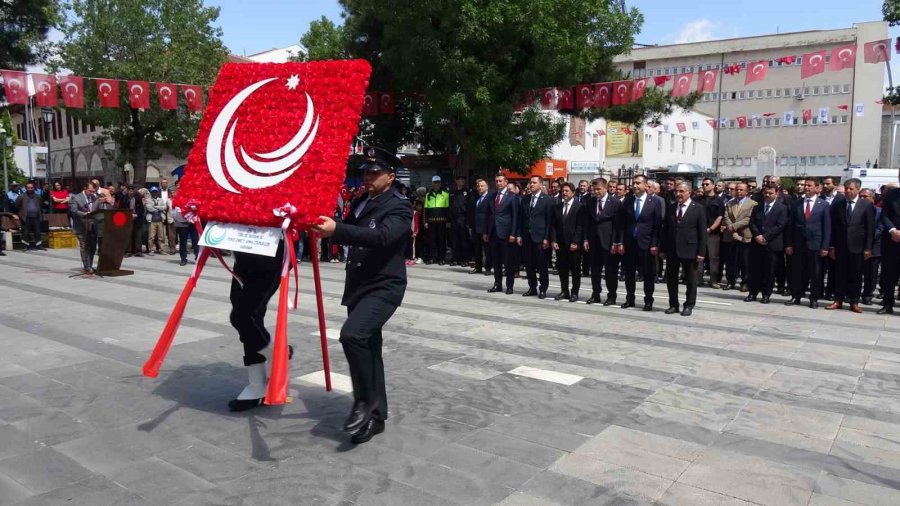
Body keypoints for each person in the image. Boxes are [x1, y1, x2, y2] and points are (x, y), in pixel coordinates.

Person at [312, 147, 413, 444]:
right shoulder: (361, 201)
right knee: (369, 348)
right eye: (365, 172)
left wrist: (336, 231)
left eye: (374, 172)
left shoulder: (400, 206)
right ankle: (376, 418)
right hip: (359, 285)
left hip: (384, 286)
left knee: (353, 335)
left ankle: (363, 400)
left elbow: (381, 237)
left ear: (391, 177)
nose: (367, 177)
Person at [827, 178, 875, 313]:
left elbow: (870, 228)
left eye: (851, 189)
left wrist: (868, 248)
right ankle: (838, 300)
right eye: (846, 188)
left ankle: (854, 301)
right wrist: (831, 246)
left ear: (858, 190)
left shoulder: (866, 205)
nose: (848, 191)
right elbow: (833, 227)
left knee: (856, 275)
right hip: (840, 246)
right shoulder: (838, 204)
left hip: (858, 248)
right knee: (839, 274)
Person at [615, 175, 662, 311]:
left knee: (648, 274)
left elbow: (657, 225)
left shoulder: (654, 202)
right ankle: (630, 299)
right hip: (630, 243)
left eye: (638, 183)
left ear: (646, 186)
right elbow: (622, 224)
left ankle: (648, 300)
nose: (635, 186)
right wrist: (621, 242)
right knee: (629, 274)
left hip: (646, 244)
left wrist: (654, 244)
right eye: (634, 183)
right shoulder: (628, 201)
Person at [660, 182, 707, 316]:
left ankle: (689, 305)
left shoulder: (698, 208)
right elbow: (666, 229)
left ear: (689, 193)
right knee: (671, 279)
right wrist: (663, 249)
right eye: (676, 191)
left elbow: (702, 232)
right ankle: (673, 304)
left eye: (681, 191)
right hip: (672, 249)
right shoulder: (671, 207)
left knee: (691, 280)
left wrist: (701, 252)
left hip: (690, 249)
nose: (678, 194)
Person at [785, 178, 831, 309]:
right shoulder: (796, 203)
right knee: (797, 272)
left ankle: (814, 298)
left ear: (817, 188)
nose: (806, 187)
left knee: (815, 273)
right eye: (805, 185)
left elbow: (827, 227)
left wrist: (825, 246)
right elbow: (790, 225)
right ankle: (796, 296)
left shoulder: (823, 204)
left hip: (815, 245)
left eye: (809, 185)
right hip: (798, 244)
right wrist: (789, 244)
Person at [747, 186, 788, 304]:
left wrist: (766, 237)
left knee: (769, 271)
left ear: (777, 193)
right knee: (755, 270)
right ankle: (752, 293)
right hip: (757, 243)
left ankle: (766, 294)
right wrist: (757, 235)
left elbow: (780, 225)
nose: (767, 195)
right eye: (765, 193)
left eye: (770, 193)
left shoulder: (782, 208)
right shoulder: (757, 207)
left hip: (772, 244)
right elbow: (752, 222)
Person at [584, 178, 621, 306]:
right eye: (594, 189)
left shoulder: (615, 203)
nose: (596, 192)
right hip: (594, 241)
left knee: (610, 271)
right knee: (595, 270)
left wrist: (615, 242)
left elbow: (618, 225)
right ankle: (596, 294)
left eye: (598, 189)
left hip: (608, 242)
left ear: (605, 188)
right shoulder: (591, 202)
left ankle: (611, 296)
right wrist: (586, 239)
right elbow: (587, 223)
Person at [519, 176, 553, 299]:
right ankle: (532, 287)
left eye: (534, 182)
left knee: (542, 265)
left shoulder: (547, 200)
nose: (531, 184)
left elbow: (549, 220)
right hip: (527, 237)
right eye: (530, 182)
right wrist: (519, 235)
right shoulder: (525, 199)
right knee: (529, 265)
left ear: (540, 185)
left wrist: (547, 238)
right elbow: (521, 218)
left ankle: (543, 288)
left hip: (540, 237)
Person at [551, 182, 584, 302]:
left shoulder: (579, 206)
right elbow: (553, 225)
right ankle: (564, 290)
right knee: (562, 269)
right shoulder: (557, 207)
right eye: (563, 191)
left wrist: (576, 241)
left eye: (567, 191)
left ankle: (574, 292)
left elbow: (580, 226)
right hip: (561, 243)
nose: (564, 193)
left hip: (573, 244)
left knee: (575, 270)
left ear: (573, 193)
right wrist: (554, 240)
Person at [486, 174, 519, 294]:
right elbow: (488, 215)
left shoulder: (512, 196)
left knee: (508, 262)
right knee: (496, 261)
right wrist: (486, 231)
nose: (498, 183)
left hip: (506, 234)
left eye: (500, 181)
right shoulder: (492, 196)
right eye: (496, 181)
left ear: (506, 182)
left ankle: (509, 286)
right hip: (494, 233)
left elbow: (515, 216)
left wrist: (513, 233)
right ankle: (497, 284)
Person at [722, 183, 756, 291]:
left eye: (741, 190)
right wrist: (731, 227)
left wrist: (735, 226)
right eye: (737, 190)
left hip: (744, 235)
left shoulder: (753, 204)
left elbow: (748, 219)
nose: (738, 192)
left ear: (746, 191)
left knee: (745, 261)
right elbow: (726, 215)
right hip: (730, 235)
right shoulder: (729, 203)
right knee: (730, 261)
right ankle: (730, 281)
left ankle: (745, 282)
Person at [698, 178, 725, 288]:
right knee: (699, 257)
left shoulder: (718, 200)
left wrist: (711, 228)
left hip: (713, 233)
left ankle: (713, 280)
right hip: (699, 233)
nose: (704, 186)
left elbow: (720, 216)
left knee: (713, 257)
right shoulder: (697, 199)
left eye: (707, 184)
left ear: (713, 185)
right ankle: (698, 279)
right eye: (703, 184)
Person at [879, 183, 900, 314]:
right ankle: (887, 304)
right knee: (888, 276)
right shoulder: (892, 194)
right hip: (891, 242)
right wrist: (892, 230)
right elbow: (884, 215)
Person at [69, 182, 98, 273]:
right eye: (90, 191)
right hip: (81, 227)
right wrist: (84, 214)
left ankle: (90, 264)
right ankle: (86, 266)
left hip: (93, 226)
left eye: (93, 191)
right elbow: (74, 211)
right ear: (85, 188)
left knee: (92, 247)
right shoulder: (76, 198)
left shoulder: (95, 198)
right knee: (84, 247)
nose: (92, 193)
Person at [860, 189, 882, 306]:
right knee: (856, 272)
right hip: (858, 247)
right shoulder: (857, 210)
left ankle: (867, 295)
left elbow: (880, 228)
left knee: (871, 274)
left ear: (872, 198)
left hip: (874, 248)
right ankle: (852, 294)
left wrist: (868, 239)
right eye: (861, 196)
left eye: (865, 196)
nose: (862, 199)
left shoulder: (879, 211)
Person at [423, 175, 449, 264]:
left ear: (440, 183)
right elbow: (425, 209)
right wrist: (425, 221)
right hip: (431, 221)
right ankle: (432, 257)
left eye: (438, 182)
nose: (437, 184)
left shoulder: (445, 194)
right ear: (432, 183)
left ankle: (441, 258)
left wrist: (448, 221)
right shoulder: (428, 195)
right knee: (431, 240)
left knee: (441, 240)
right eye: (435, 182)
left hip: (442, 221)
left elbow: (448, 209)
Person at [15, 182, 45, 250]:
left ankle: (39, 245)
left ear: (33, 188)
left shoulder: (37, 196)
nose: (30, 189)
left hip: (36, 217)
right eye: (28, 188)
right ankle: (25, 246)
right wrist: (20, 213)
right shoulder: (22, 196)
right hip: (26, 217)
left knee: (37, 232)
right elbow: (16, 205)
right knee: (25, 232)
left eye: (31, 188)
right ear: (26, 188)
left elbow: (41, 205)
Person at [448, 176, 469, 266]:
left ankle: (464, 259)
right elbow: (448, 207)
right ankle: (455, 258)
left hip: (463, 219)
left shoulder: (467, 192)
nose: (462, 181)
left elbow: (469, 207)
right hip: (453, 219)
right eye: (460, 179)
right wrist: (448, 220)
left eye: (463, 179)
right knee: (454, 240)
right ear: (456, 181)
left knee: (463, 240)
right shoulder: (451, 192)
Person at [144, 187, 166, 255]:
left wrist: (156, 207)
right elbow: (149, 208)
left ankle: (161, 249)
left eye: (156, 192)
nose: (155, 193)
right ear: (151, 193)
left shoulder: (161, 200)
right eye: (153, 192)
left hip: (160, 220)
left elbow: (164, 207)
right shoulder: (148, 200)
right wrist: (159, 208)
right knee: (151, 237)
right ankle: (151, 250)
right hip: (152, 221)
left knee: (161, 236)